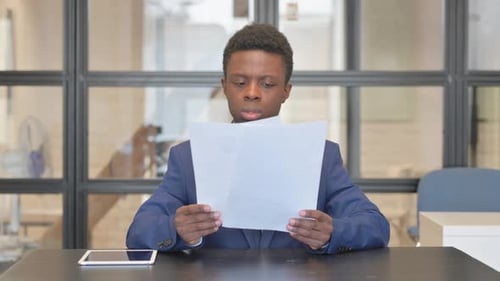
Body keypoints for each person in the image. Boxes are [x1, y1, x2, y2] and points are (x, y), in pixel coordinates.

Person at [126, 23, 390, 254]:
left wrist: (332, 233)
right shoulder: (189, 157)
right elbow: (139, 232)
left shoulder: (320, 155)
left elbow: (375, 226)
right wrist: (177, 229)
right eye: (240, 82)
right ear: (224, 86)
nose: (252, 93)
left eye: (267, 84)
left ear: (286, 91)